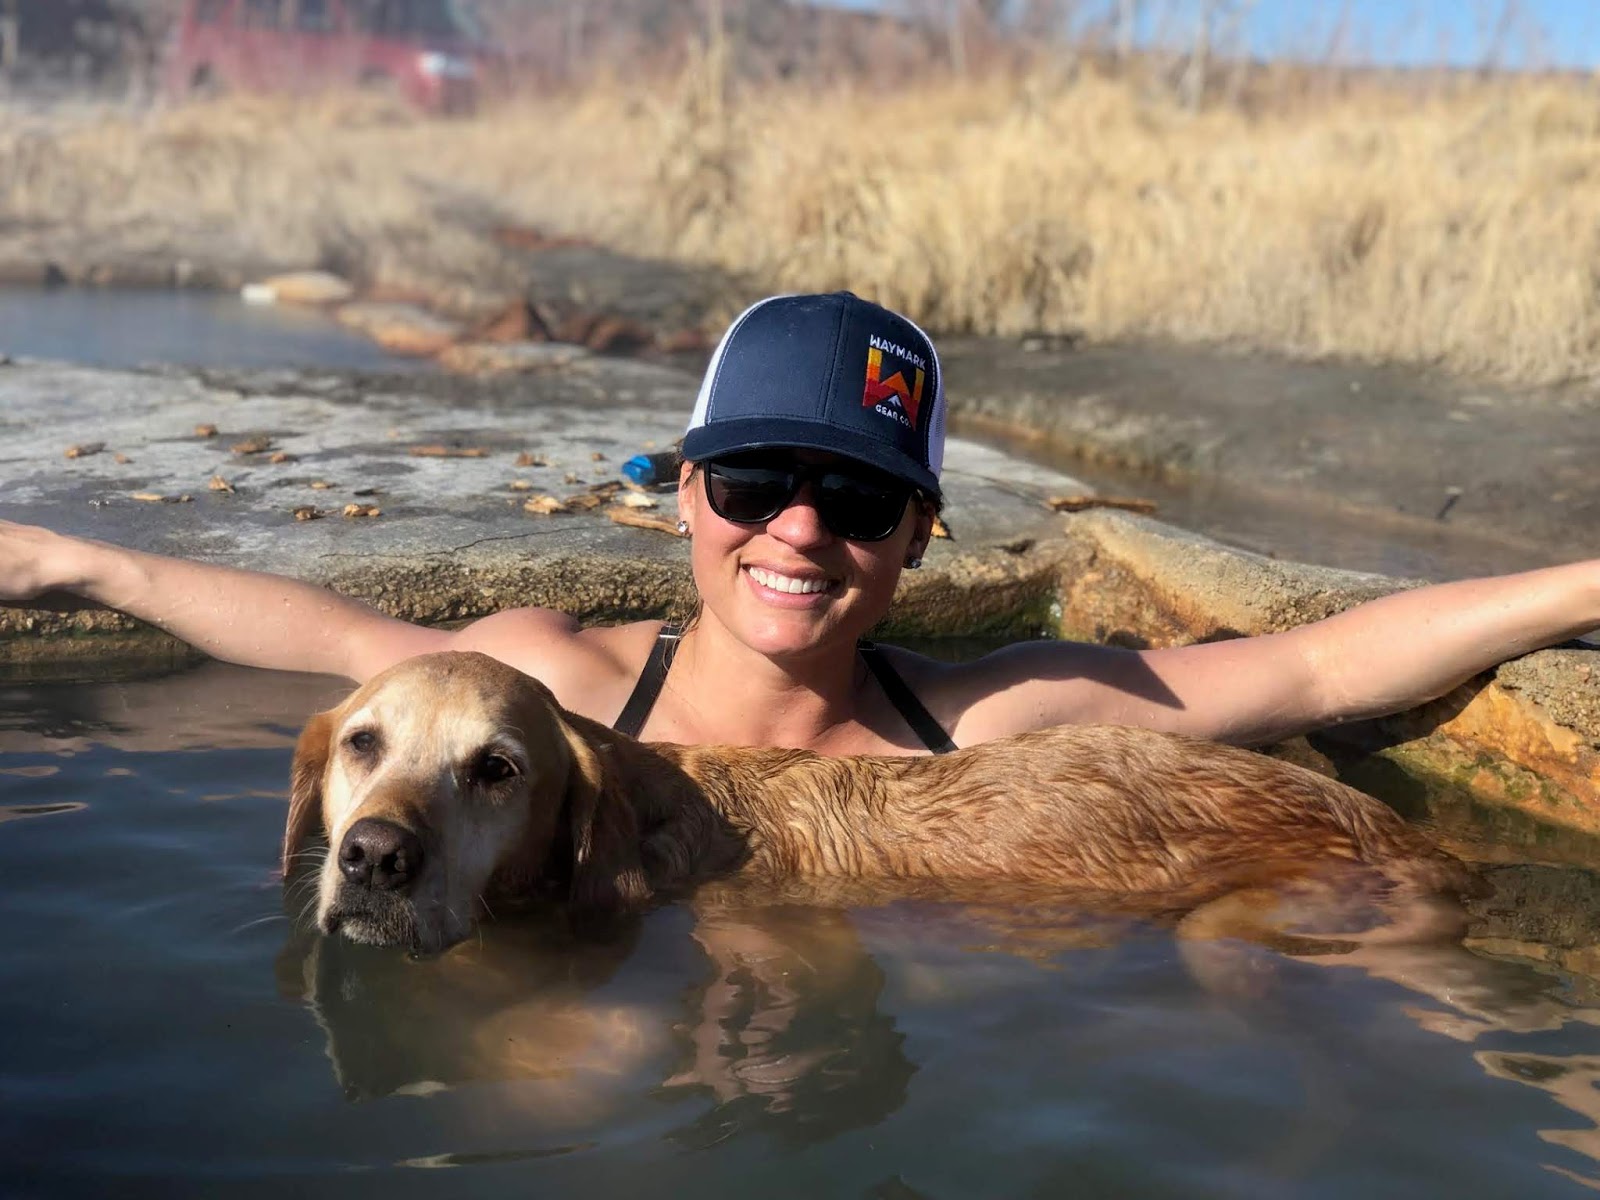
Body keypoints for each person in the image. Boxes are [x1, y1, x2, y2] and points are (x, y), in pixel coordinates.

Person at [1, 291, 1596, 757]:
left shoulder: (972, 717)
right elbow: (343, 646)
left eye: (863, 497)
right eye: (757, 483)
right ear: (683, 494)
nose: (802, 531)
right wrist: (73, 561)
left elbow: (1315, 671)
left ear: (920, 540)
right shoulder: (562, 691)